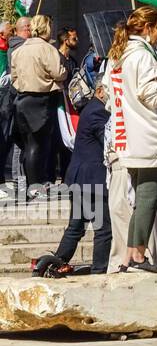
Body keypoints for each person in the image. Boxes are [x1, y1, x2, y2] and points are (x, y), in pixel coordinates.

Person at [104, 6, 157, 274]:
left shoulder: (118, 55)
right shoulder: (141, 56)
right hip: (147, 134)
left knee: (142, 197)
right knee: (148, 196)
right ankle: (139, 255)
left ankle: (131, 255)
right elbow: (152, 97)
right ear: (149, 28)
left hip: (126, 134)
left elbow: (108, 96)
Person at [40, 81, 113, 275]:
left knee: (77, 226)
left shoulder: (91, 109)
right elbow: (107, 139)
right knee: (103, 228)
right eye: (111, 91)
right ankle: (99, 270)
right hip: (92, 180)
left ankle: (58, 262)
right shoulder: (98, 112)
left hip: (80, 178)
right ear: (99, 91)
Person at [9, 15, 66, 200]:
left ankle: (33, 185)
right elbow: (59, 72)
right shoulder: (47, 49)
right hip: (41, 100)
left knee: (28, 145)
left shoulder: (19, 50)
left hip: (22, 100)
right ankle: (36, 185)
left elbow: (14, 78)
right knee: (38, 145)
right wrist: (61, 74)